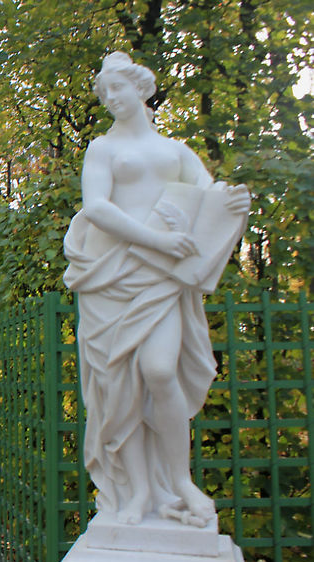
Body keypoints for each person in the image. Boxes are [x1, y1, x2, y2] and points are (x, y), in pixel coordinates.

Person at [63, 52, 250, 526]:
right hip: (111, 276)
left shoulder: (176, 151)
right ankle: (139, 491)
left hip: (163, 280)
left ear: (140, 88)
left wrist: (232, 200)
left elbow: (211, 202)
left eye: (117, 89)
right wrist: (159, 239)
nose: (110, 99)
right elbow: (97, 209)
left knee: (159, 370)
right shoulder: (102, 149)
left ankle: (178, 481)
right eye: (104, 93)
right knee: (118, 388)